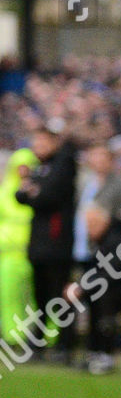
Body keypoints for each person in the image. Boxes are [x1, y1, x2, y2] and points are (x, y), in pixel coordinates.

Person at [15, 123, 77, 361]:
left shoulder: (63, 163)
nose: (37, 147)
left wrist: (32, 189)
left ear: (53, 143)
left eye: (42, 142)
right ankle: (38, 343)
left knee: (60, 293)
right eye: (35, 143)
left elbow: (46, 196)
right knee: (40, 295)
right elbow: (21, 195)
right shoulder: (40, 168)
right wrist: (32, 189)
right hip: (39, 244)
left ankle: (65, 344)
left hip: (57, 243)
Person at [68, 204, 121, 374]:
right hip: (108, 286)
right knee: (88, 296)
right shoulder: (100, 241)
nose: (89, 230)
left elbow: (115, 270)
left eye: (92, 225)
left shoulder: (118, 238)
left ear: (103, 221)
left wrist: (83, 287)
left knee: (102, 295)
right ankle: (90, 350)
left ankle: (106, 352)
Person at [0, 148, 36, 346]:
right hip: (9, 254)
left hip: (33, 252)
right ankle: (13, 337)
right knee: (10, 297)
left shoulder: (37, 191)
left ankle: (46, 336)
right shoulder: (5, 192)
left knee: (36, 297)